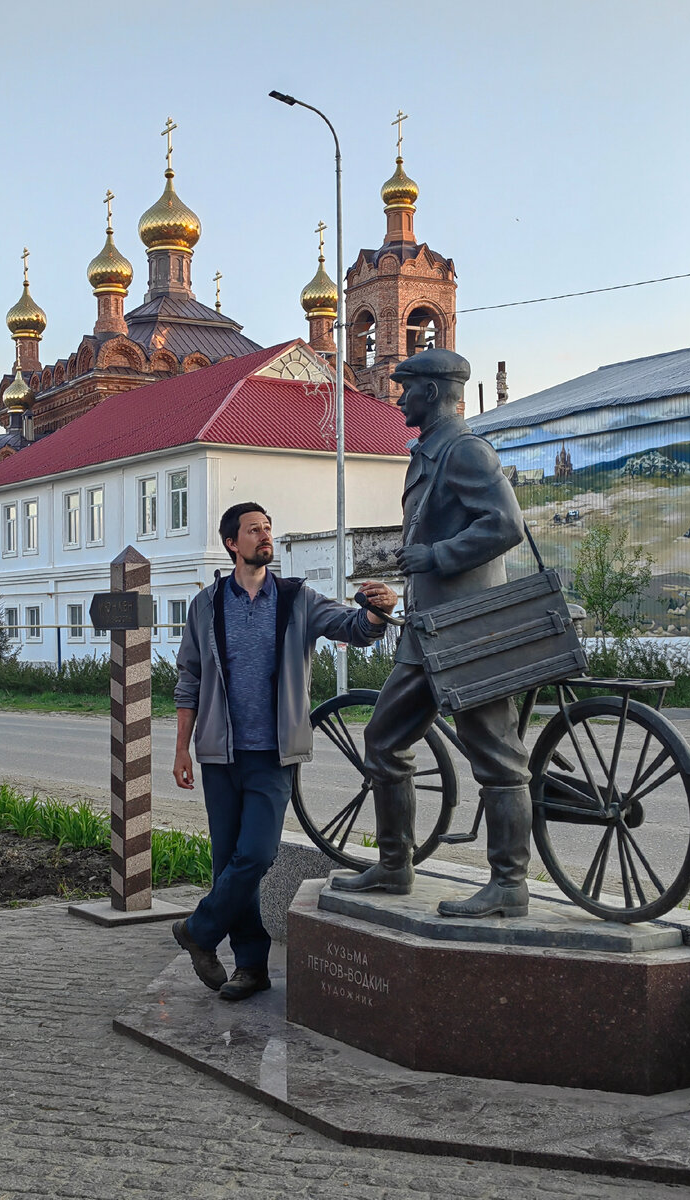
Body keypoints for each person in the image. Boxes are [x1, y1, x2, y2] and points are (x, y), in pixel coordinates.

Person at [331, 349, 533, 919]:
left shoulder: (465, 450)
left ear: (434, 391)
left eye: (407, 388)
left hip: (469, 631)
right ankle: (394, 865)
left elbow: (506, 525)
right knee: (383, 740)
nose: (399, 398)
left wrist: (436, 555)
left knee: (496, 757)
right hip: (427, 631)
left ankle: (509, 883)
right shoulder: (430, 452)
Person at [172, 502, 398, 1000]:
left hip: (273, 755)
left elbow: (353, 627)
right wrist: (181, 749)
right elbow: (190, 678)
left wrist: (377, 612)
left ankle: (198, 930)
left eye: (268, 528)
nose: (265, 535)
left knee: (256, 854)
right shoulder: (206, 604)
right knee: (228, 862)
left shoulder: (297, 599)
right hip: (219, 755)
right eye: (254, 529)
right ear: (232, 543)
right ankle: (251, 967)